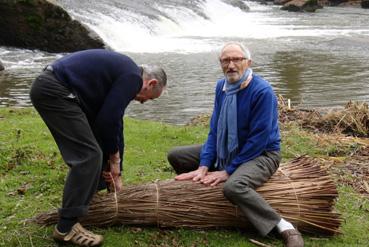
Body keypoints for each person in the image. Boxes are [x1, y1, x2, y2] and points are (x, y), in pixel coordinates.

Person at [167, 42, 303, 247]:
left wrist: (228, 171)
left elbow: (259, 139)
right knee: (177, 155)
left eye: (236, 59)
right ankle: (207, 186)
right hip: (227, 149)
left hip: (262, 154)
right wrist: (203, 166)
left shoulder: (262, 91)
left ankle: (283, 226)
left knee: (234, 186)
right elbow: (214, 131)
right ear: (221, 64)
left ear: (248, 62)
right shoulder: (221, 88)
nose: (231, 65)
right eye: (225, 60)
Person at [30, 49, 167, 246]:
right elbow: (107, 121)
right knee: (88, 156)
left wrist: (117, 169)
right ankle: (66, 227)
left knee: (95, 147)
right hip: (55, 90)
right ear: (151, 83)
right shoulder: (132, 78)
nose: (143, 102)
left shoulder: (124, 73)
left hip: (54, 88)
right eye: (150, 98)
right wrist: (113, 159)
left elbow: (114, 123)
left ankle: (91, 197)